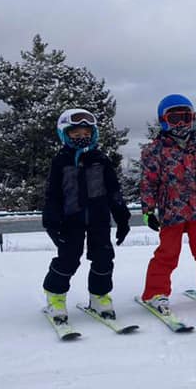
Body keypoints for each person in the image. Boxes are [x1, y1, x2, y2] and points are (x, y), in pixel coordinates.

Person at [139, 94, 196, 315]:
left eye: (185, 118)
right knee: (167, 254)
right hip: (172, 212)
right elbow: (148, 182)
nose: (180, 124)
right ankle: (155, 292)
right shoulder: (154, 150)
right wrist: (148, 210)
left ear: (193, 119)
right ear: (163, 120)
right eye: (174, 118)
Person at [42, 109, 131, 321]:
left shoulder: (100, 159)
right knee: (69, 259)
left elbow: (114, 191)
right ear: (64, 134)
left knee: (104, 258)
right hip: (70, 221)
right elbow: (52, 195)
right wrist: (52, 223)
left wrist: (122, 218)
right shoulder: (60, 161)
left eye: (86, 132)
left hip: (99, 220)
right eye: (75, 133)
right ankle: (55, 297)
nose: (82, 137)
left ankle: (99, 296)